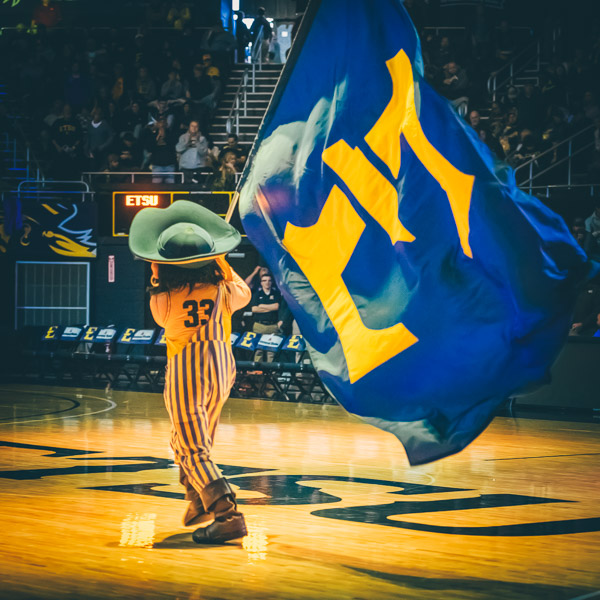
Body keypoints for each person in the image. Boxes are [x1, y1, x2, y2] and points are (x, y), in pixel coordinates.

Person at [128, 200, 251, 544]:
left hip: (187, 365)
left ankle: (228, 515)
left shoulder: (163, 300)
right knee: (193, 440)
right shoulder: (225, 291)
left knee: (192, 445)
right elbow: (244, 292)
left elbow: (159, 288)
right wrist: (220, 261)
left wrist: (158, 268)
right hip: (222, 362)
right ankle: (198, 498)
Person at [251, 271, 281, 362]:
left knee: (271, 351)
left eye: (269, 280)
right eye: (264, 280)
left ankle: (271, 372)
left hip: (272, 326)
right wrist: (270, 307)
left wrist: (262, 306)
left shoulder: (276, 294)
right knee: (258, 350)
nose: (267, 282)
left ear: (272, 282)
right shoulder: (257, 294)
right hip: (259, 326)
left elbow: (277, 306)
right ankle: (257, 372)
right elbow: (254, 309)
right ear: (261, 283)